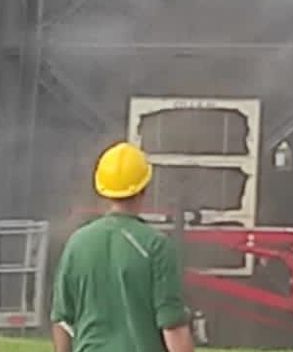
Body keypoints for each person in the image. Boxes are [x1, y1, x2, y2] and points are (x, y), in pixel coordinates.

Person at [52, 142, 195, 352]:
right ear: (144, 188)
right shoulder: (156, 246)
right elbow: (172, 327)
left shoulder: (77, 243)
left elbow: (63, 321)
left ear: (102, 189)